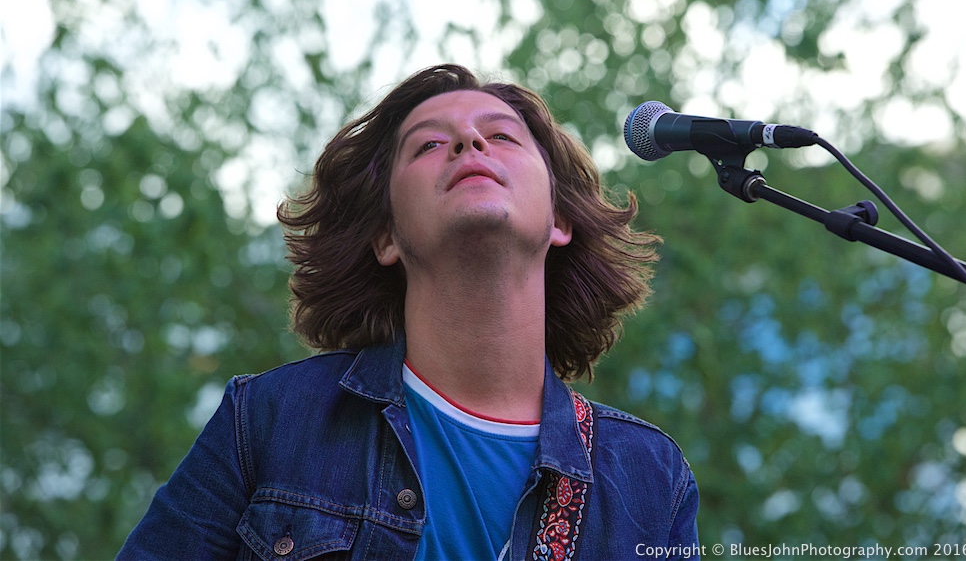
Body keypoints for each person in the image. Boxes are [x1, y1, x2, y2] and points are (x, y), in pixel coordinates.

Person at [118, 64, 700, 560]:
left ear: (559, 221)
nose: (470, 143)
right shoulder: (268, 421)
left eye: (501, 137)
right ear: (386, 237)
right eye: (427, 144)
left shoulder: (648, 476)